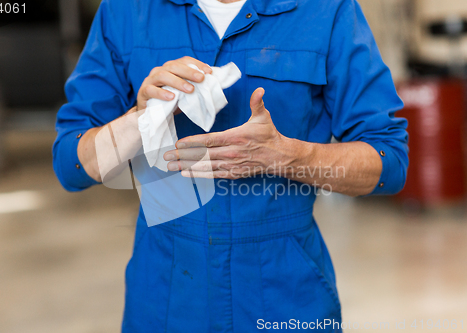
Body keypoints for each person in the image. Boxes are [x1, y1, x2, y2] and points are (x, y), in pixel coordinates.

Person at [53, 0, 409, 331]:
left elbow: (388, 162)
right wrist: (142, 118)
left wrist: (286, 156)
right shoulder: (128, 11)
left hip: (286, 290)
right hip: (165, 292)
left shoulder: (326, 10)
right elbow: (73, 164)